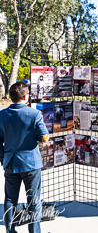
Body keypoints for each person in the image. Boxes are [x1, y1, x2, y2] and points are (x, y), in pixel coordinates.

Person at [0, 82, 49, 233]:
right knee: (33, 201)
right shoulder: (34, 114)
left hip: (10, 162)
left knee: (10, 200)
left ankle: (10, 230)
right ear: (25, 96)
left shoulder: (1, 114)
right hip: (30, 164)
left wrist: (3, 158)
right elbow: (44, 137)